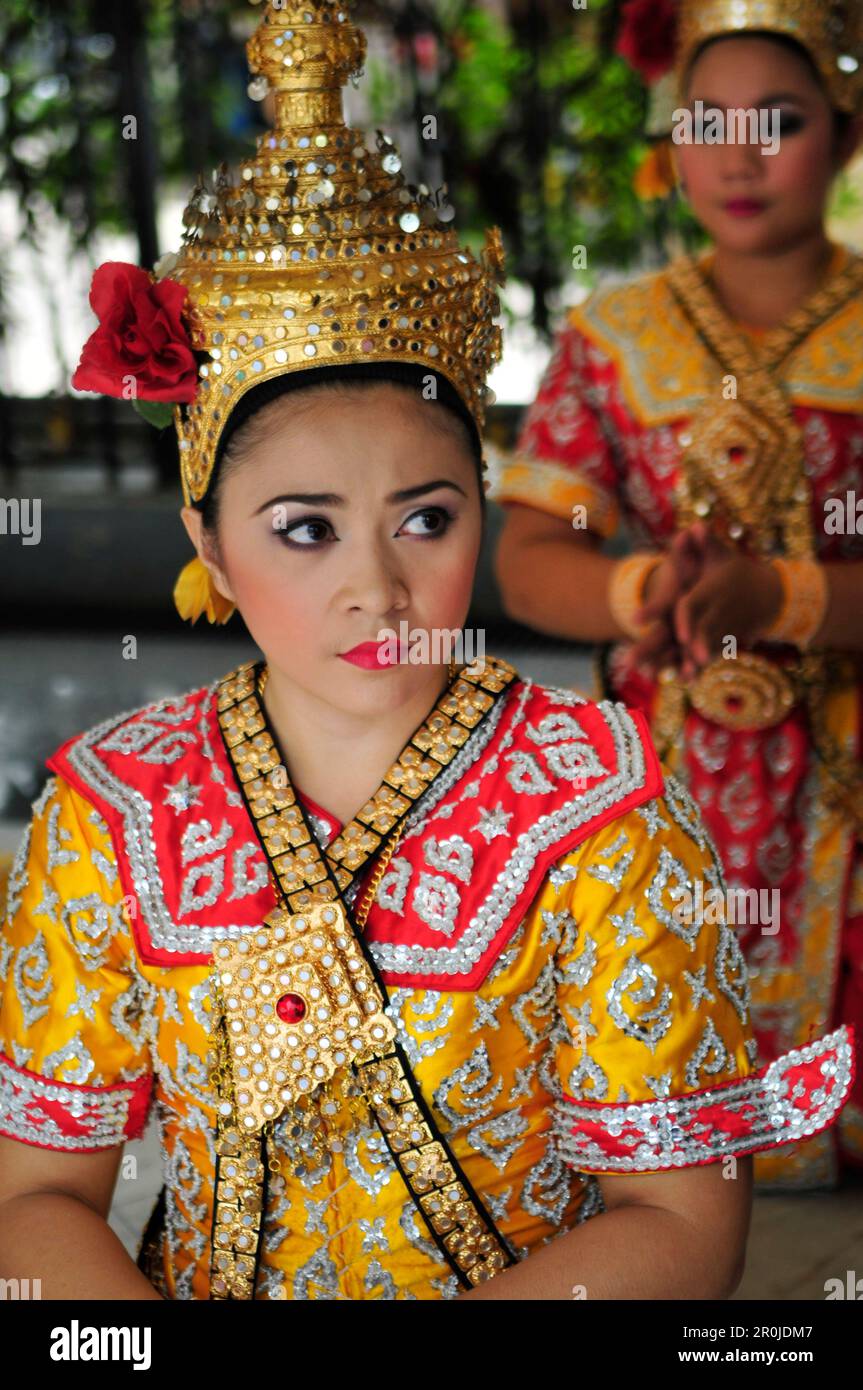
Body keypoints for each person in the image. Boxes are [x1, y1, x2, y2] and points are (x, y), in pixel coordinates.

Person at [0, 0, 853, 1303]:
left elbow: (679, 1223)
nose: (378, 585)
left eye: (427, 516)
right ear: (207, 546)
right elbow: (38, 1197)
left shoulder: (601, 801)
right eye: (301, 529)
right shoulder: (117, 807)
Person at [494, 0, 863, 1193]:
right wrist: (646, 583)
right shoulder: (614, 334)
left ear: (843, 137)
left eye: (779, 120)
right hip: (666, 758)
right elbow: (529, 551)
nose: (738, 154)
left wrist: (780, 593)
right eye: (707, 122)